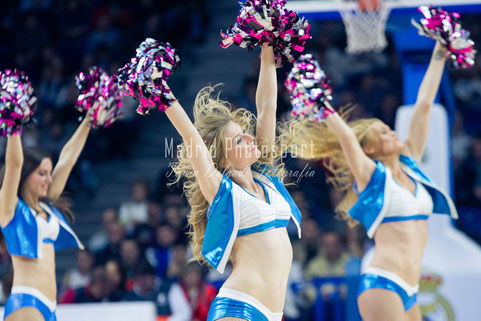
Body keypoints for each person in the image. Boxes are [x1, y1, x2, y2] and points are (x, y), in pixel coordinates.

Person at [293, 41, 457, 321]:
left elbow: (425, 105)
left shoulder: (411, 165)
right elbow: (346, 138)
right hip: (383, 282)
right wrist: (320, 101)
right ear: (368, 149)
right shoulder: (372, 176)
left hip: (410, 287)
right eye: (382, 132)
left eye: (388, 127)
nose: (392, 132)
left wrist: (441, 49)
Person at [166, 44, 303, 321]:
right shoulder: (222, 191)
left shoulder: (266, 177)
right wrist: (160, 92)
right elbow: (192, 137)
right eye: (239, 140)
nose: (251, 138)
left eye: (245, 133)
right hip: (240, 308)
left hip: (273, 313)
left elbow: (266, 107)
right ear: (225, 159)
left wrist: (267, 45)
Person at [0, 115, 95, 321]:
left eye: (49, 173)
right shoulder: (9, 209)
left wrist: (89, 119)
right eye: (42, 173)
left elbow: (67, 160)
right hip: (27, 300)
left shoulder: (46, 206)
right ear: (26, 175)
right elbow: (14, 164)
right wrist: (13, 124)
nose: (49, 180)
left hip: (49, 305)